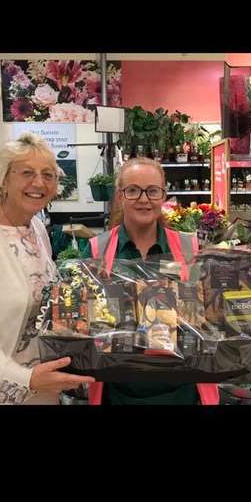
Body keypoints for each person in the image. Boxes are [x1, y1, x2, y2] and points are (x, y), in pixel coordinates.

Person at [82, 157, 219, 405]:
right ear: (120, 196)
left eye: (152, 191)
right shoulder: (96, 251)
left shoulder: (189, 248)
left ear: (163, 195)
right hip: (118, 392)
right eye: (133, 190)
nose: (144, 199)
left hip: (183, 391)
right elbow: (80, 324)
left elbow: (209, 314)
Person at [0, 132, 95, 405]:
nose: (39, 183)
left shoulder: (36, 228)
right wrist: (25, 377)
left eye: (48, 174)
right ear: (4, 179)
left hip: (43, 387)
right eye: (27, 172)